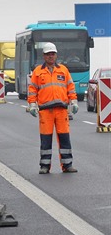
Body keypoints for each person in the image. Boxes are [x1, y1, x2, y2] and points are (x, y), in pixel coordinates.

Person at [28, 42, 78, 174]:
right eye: (48, 54)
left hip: (61, 110)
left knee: (64, 138)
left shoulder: (63, 70)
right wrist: (32, 105)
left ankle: (67, 165)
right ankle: (44, 166)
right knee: (46, 139)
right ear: (44, 56)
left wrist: (74, 101)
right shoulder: (38, 72)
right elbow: (32, 89)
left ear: (56, 55)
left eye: (53, 54)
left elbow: (70, 87)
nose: (51, 56)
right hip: (46, 111)